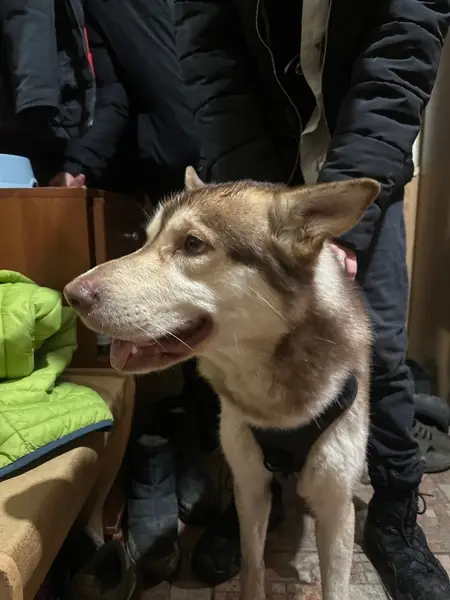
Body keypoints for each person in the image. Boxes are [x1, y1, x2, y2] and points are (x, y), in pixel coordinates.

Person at [174, 1, 450, 599]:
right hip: (253, 162)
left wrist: (336, 228)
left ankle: (395, 514)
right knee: (230, 338)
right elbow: (209, 59)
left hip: (363, 161)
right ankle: (250, 490)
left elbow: (404, 47)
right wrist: (258, 212)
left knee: (382, 349)